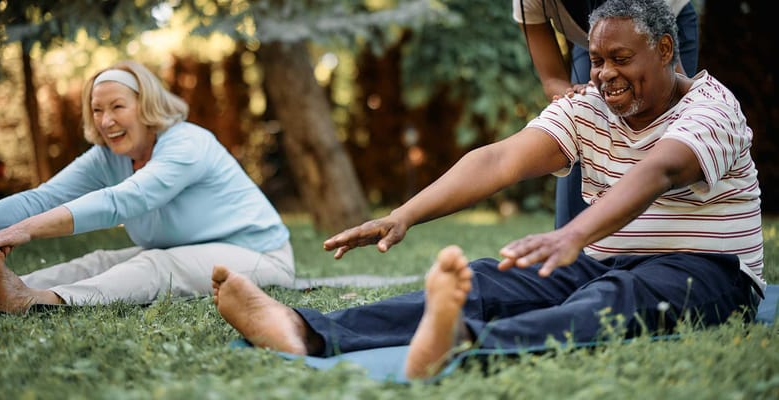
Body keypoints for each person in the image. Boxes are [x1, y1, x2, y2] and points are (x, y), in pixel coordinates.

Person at [211, 0, 764, 381]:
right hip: (603, 260)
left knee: (608, 302)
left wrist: (572, 234)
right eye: (596, 60)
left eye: (622, 59)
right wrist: (403, 215)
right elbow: (500, 159)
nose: (606, 75)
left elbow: (660, 172)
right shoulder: (587, 107)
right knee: (483, 280)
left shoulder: (712, 108)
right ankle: (303, 331)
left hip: (704, 267)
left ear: (666, 51)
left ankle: (466, 347)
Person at [0, 60, 295, 313]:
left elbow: (122, 201)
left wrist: (28, 229)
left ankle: (37, 300)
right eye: (97, 110)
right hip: (185, 250)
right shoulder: (107, 157)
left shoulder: (187, 144)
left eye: (118, 107)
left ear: (146, 105)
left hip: (260, 255)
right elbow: (43, 199)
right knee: (100, 261)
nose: (106, 121)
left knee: (157, 266)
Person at [513, 0, 699, 229]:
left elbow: (678, 95)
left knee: (653, 128)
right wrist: (579, 101)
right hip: (591, 40)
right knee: (581, 130)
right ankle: (571, 247)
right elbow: (552, 80)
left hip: (662, 24)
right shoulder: (529, 3)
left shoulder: (661, 42)